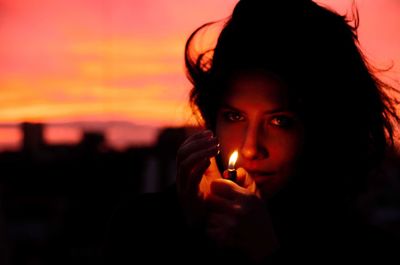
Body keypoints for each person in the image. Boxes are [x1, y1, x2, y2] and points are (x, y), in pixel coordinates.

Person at [101, 0, 400, 263]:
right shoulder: (139, 226)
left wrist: (268, 255)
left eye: (280, 121)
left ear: (326, 128)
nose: (249, 148)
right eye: (234, 116)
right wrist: (185, 231)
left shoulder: (365, 251)